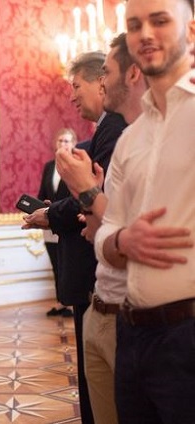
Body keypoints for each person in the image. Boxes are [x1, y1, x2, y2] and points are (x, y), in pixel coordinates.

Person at [93, 0, 195, 421]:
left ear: (190, 28)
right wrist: (121, 240)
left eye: (159, 20)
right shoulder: (131, 139)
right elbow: (107, 230)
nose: (145, 34)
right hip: (131, 334)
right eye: (135, 25)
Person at [23, 51, 128, 424]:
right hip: (95, 270)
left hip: (103, 273)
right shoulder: (104, 131)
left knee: (100, 390)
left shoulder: (114, 128)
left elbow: (96, 199)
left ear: (101, 81)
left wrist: (50, 213)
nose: (72, 96)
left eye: (76, 86)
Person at [57, 32, 147, 424]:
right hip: (102, 303)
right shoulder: (126, 139)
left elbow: (130, 237)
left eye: (106, 73)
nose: (103, 82)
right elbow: (106, 228)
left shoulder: (124, 133)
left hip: (132, 314)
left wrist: (87, 192)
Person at [39, 128, 77, 318]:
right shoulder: (49, 166)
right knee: (56, 264)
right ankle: (61, 302)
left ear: (74, 144)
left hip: (68, 223)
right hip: (49, 223)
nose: (64, 144)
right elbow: (42, 194)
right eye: (61, 140)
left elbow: (75, 197)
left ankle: (70, 303)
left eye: (67, 141)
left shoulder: (77, 165)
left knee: (68, 263)